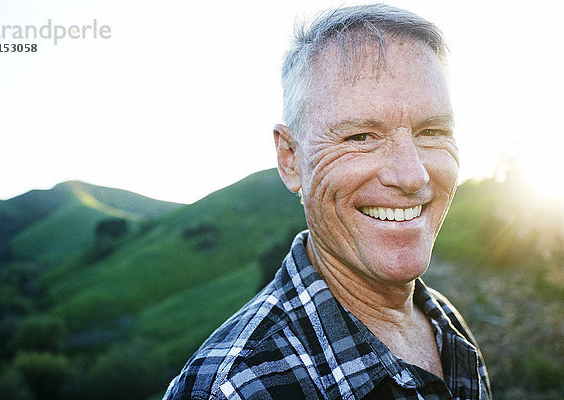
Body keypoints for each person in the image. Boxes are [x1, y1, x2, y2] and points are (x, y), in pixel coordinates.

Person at [164, 4, 491, 399]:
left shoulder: (441, 320)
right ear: (290, 159)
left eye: (432, 131)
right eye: (360, 137)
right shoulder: (237, 387)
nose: (412, 175)